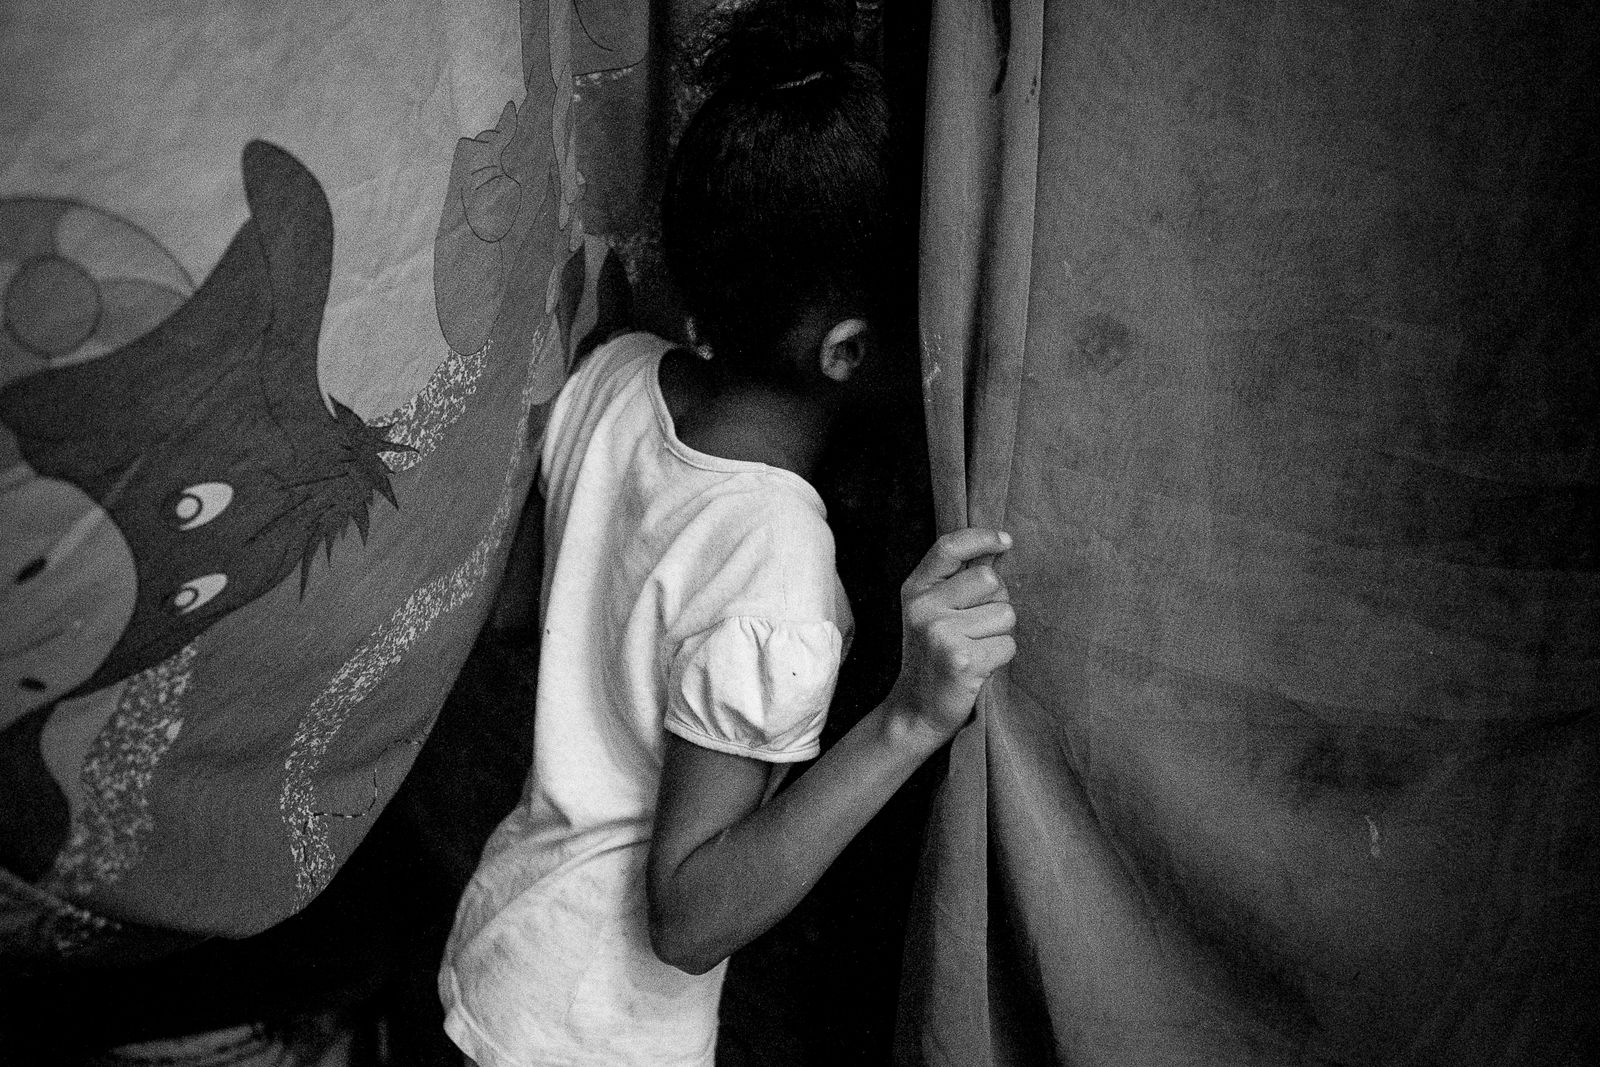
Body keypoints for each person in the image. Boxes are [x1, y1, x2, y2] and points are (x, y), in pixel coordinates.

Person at [437, 5, 1017, 1064]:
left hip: (505, 947)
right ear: (848, 351)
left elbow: (515, 608)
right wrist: (906, 719)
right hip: (597, 1037)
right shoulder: (775, 559)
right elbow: (690, 913)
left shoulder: (616, 376)